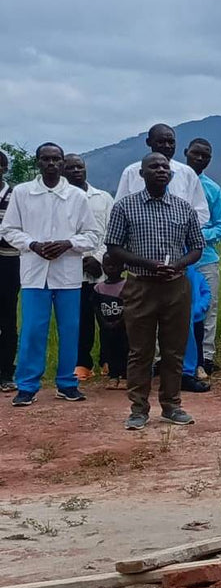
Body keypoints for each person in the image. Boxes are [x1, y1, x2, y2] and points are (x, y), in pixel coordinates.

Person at [105, 152, 204, 428]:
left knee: (174, 350)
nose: (161, 170)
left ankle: (172, 406)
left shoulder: (184, 208)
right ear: (142, 174)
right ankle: (138, 409)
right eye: (154, 166)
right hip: (141, 286)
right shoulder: (125, 206)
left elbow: (197, 247)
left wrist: (178, 265)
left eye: (165, 167)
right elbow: (113, 247)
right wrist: (149, 264)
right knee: (140, 351)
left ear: (170, 174)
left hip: (176, 287)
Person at [0, 143, 99, 406]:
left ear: (63, 163)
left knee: (70, 329)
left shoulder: (76, 196)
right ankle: (27, 386)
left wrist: (68, 243)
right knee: (33, 330)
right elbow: (8, 229)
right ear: (38, 162)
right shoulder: (23, 193)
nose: (51, 164)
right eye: (46, 159)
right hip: (34, 272)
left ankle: (67, 383)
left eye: (56, 159)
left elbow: (92, 235)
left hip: (67, 274)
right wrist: (32, 244)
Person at [60, 153, 113, 383]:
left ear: (85, 168)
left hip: (102, 270)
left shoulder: (103, 198)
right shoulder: (60, 200)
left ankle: (108, 359)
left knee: (109, 315)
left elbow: (112, 231)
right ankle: (82, 363)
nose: (76, 171)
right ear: (63, 171)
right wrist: (81, 258)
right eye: (70, 168)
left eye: (79, 167)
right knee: (80, 319)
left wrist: (98, 258)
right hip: (72, 269)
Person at [185, 138, 221, 378]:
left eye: (206, 156)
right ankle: (164, 358)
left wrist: (199, 236)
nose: (200, 159)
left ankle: (206, 357)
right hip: (175, 259)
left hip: (205, 257)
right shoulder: (172, 181)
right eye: (196, 153)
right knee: (171, 308)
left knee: (208, 307)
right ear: (186, 153)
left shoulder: (212, 188)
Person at [114, 124, 210, 228]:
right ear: (149, 142)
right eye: (161, 142)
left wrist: (183, 230)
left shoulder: (188, 174)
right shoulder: (131, 172)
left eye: (171, 142)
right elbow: (119, 210)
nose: (167, 146)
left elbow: (202, 211)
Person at [94, 255, 129, 391]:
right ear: (102, 267)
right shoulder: (98, 288)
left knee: (125, 349)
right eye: (107, 265)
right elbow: (96, 308)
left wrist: (121, 321)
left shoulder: (127, 285)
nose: (111, 268)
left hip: (124, 327)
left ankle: (125, 376)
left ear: (123, 267)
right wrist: (103, 323)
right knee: (109, 350)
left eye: (115, 265)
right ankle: (113, 375)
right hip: (106, 327)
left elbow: (130, 306)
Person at [0, 149, 19, 392]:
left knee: (7, 318)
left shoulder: (16, 196)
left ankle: (6, 372)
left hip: (9, 263)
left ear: (4, 168)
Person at [181, 260, 212, 393]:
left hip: (196, 318)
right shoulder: (177, 276)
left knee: (197, 343)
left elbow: (206, 292)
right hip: (180, 317)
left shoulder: (197, 276)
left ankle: (198, 366)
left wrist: (200, 308)